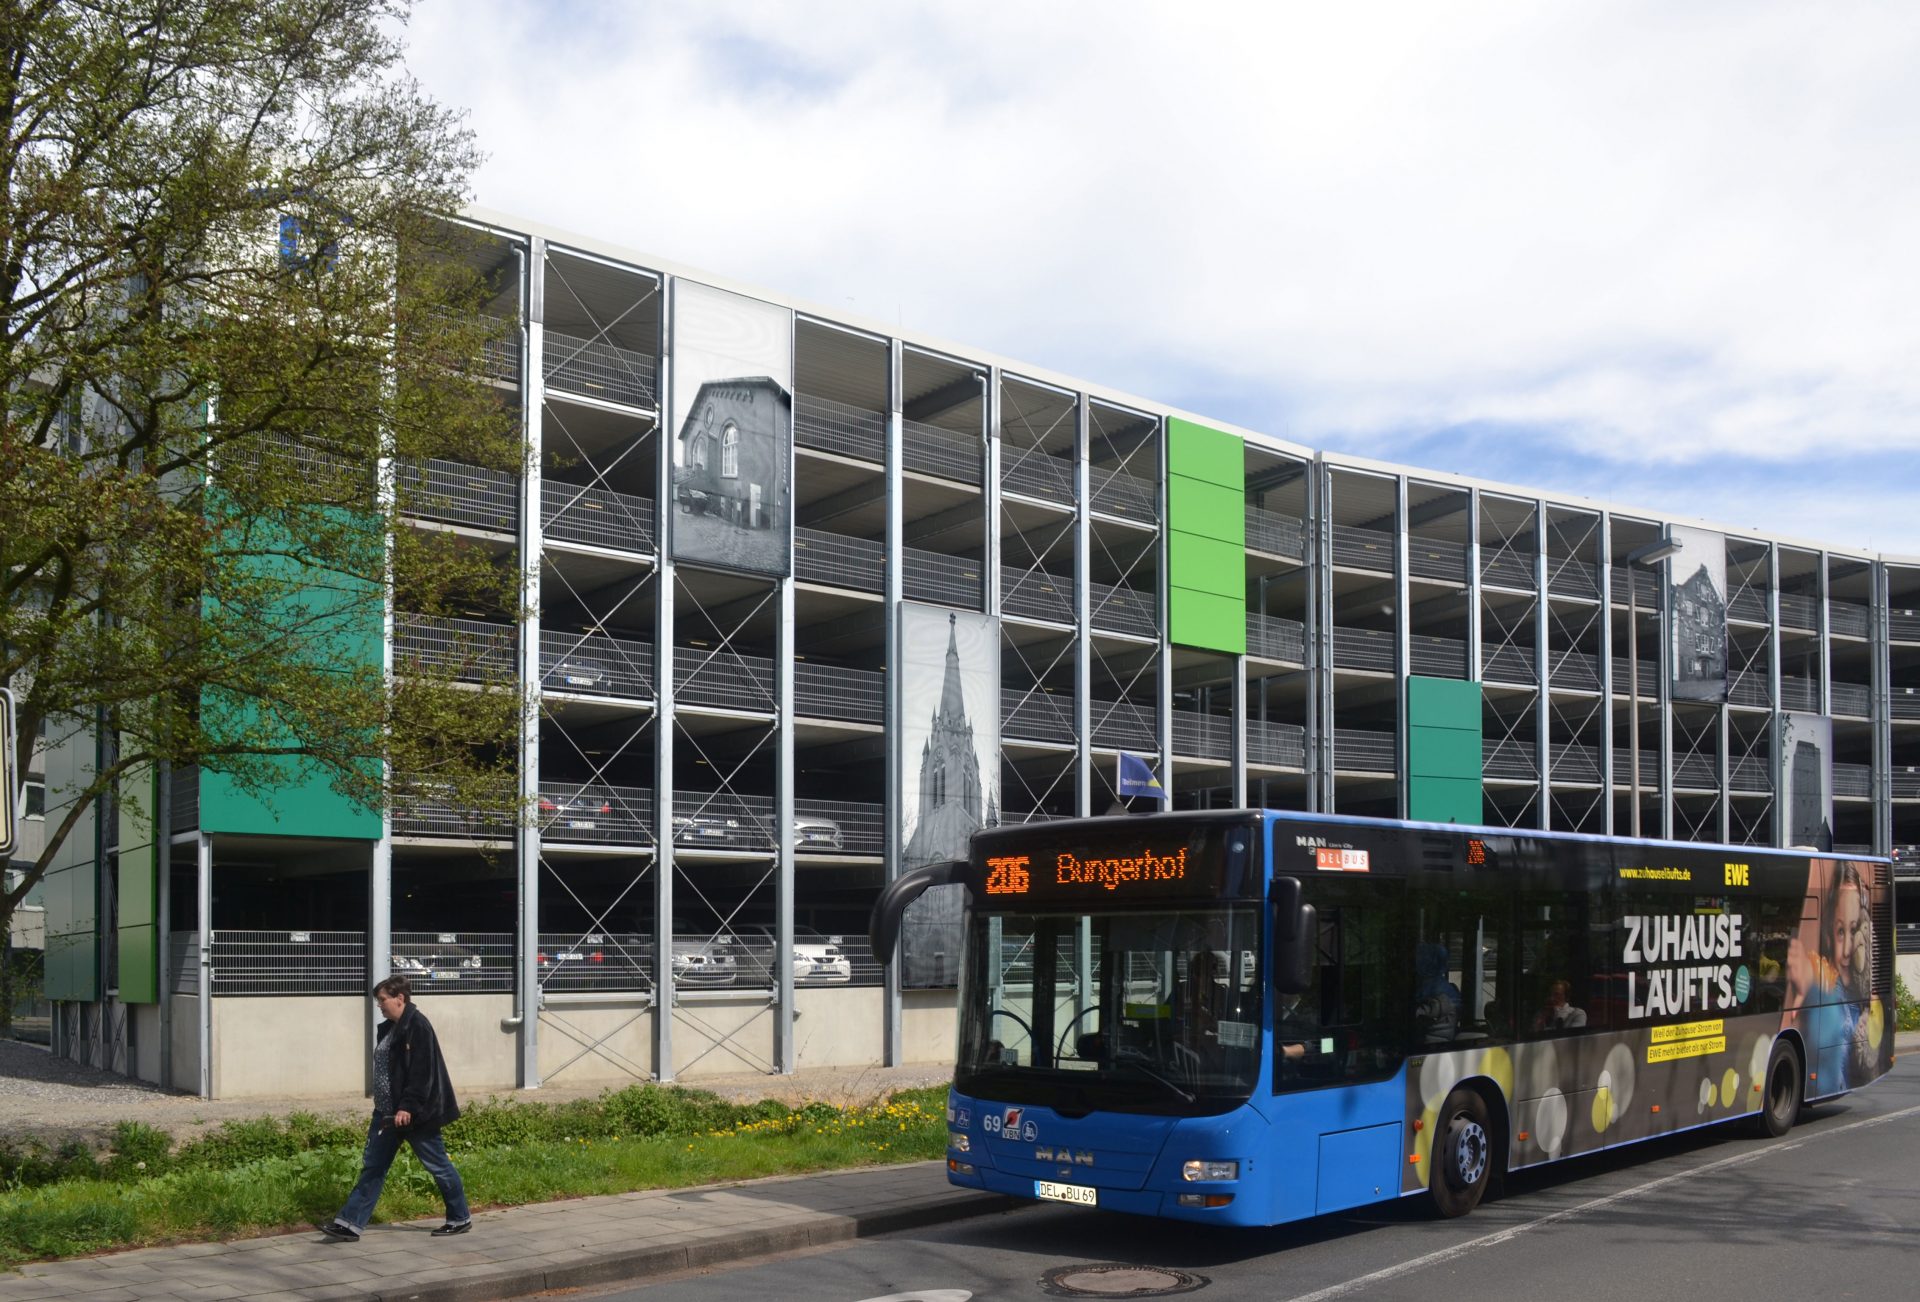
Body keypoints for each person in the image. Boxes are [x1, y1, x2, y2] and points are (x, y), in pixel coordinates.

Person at [317, 975, 470, 1241]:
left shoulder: (418, 1026)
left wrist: (407, 1107)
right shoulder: (390, 1028)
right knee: (374, 1167)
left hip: (415, 1115)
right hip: (387, 1114)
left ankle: (460, 1217)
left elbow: (422, 1073)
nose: (380, 1005)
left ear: (400, 998)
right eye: (378, 1001)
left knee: (438, 1165)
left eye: (383, 1000)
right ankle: (350, 1224)